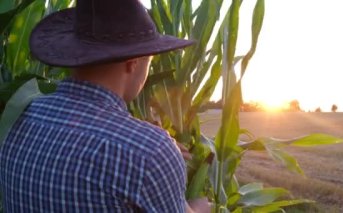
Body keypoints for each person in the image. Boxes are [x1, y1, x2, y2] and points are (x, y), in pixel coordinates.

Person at [0, 0, 210, 212]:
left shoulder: (16, 116)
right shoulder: (152, 152)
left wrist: (145, 138)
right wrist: (198, 208)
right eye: (150, 62)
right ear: (133, 62)